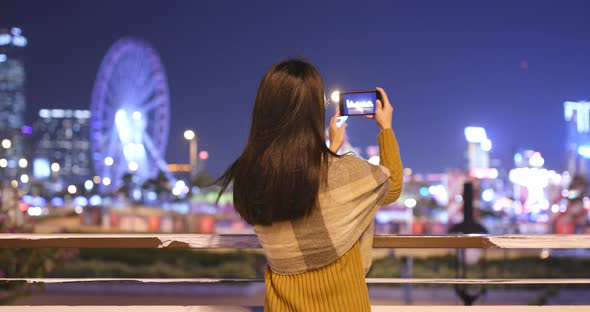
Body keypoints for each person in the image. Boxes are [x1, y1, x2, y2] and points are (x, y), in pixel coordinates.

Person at [218, 59, 403, 311]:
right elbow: (390, 185)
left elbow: (302, 185)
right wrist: (386, 128)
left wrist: (329, 150)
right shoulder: (343, 171)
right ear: (314, 111)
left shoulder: (249, 176)